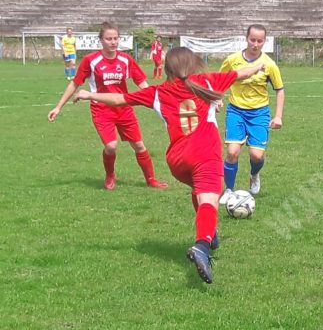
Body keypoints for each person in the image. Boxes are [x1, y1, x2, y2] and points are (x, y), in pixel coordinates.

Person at [74, 47, 266, 284]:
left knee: (200, 190)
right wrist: (258, 66)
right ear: (193, 64)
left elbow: (119, 99)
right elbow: (241, 74)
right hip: (204, 152)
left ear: (167, 70)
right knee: (210, 198)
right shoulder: (205, 81)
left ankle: (210, 232)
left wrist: (89, 95)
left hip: (177, 160)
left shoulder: (158, 91)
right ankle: (203, 246)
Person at [47, 22, 168, 190]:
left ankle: (151, 179)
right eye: (108, 39)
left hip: (124, 109)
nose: (113, 42)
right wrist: (58, 107)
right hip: (101, 110)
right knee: (111, 146)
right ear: (101, 40)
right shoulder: (91, 60)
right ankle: (110, 175)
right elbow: (75, 84)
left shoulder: (126, 59)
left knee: (139, 145)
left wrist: (157, 102)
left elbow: (142, 83)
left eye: (115, 38)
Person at [219, 24, 284, 202]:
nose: (255, 44)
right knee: (232, 152)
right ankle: (229, 190)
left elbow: (279, 90)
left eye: (260, 41)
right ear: (246, 38)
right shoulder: (232, 60)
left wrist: (278, 116)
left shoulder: (270, 65)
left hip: (259, 113)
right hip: (236, 111)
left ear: (265, 41)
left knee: (256, 155)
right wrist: (218, 98)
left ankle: (254, 175)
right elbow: (220, 81)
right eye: (252, 39)